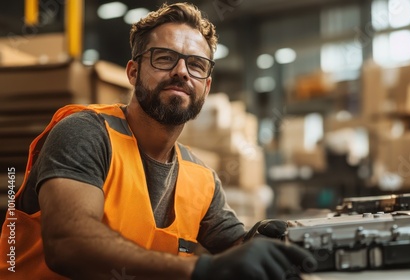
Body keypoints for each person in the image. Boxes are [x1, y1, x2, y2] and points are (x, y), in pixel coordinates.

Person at [0, 2, 317, 280]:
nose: (181, 72)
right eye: (164, 58)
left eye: (196, 65)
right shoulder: (85, 133)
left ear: (206, 86)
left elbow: (235, 246)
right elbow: (68, 245)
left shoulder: (200, 178)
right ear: (133, 72)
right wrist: (199, 270)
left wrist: (260, 241)